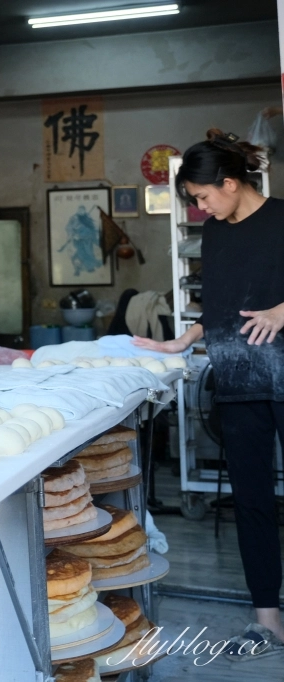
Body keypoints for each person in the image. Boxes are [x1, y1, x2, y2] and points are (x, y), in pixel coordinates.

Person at [134, 128, 284, 659]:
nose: (200, 209)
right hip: (239, 378)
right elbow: (217, 305)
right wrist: (180, 340)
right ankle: (267, 619)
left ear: (230, 182)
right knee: (251, 500)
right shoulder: (218, 235)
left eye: (201, 198)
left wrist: (280, 312)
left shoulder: (283, 218)